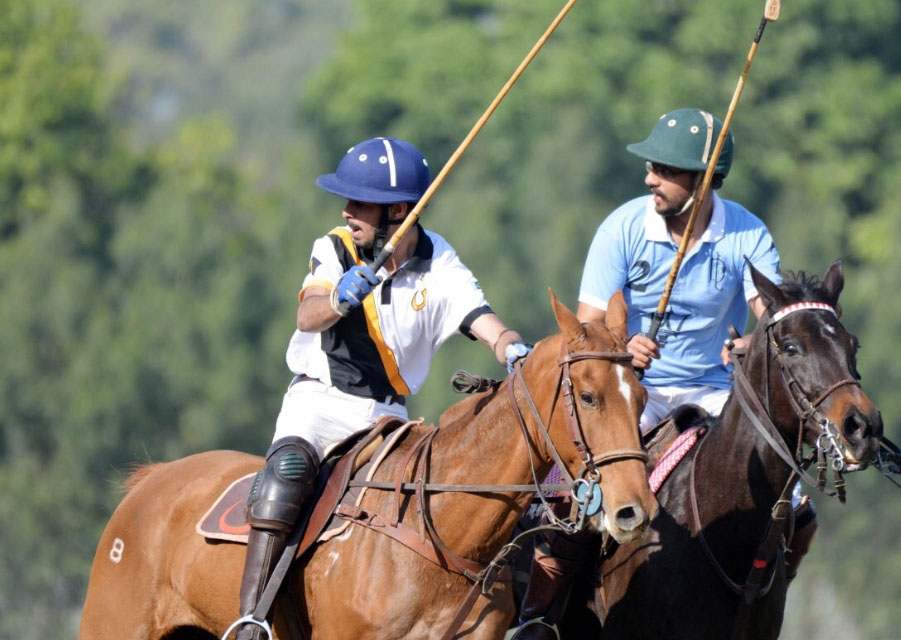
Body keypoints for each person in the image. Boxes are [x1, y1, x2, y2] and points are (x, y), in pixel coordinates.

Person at [514, 108, 815, 638]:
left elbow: (772, 320)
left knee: (797, 507)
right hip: (633, 393)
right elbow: (584, 332)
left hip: (718, 395)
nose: (649, 177)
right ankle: (541, 618)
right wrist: (624, 346)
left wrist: (748, 343)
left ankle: (760, 597)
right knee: (567, 500)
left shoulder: (746, 232)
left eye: (665, 169)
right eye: (651, 165)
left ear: (702, 183)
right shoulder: (624, 228)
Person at [231, 137, 531, 640]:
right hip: (318, 403)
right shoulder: (333, 247)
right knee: (284, 476)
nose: (347, 211)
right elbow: (308, 315)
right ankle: (251, 621)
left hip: (388, 419)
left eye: (360, 203)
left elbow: (484, 321)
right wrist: (340, 300)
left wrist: (514, 350)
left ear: (398, 211)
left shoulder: (439, 262)